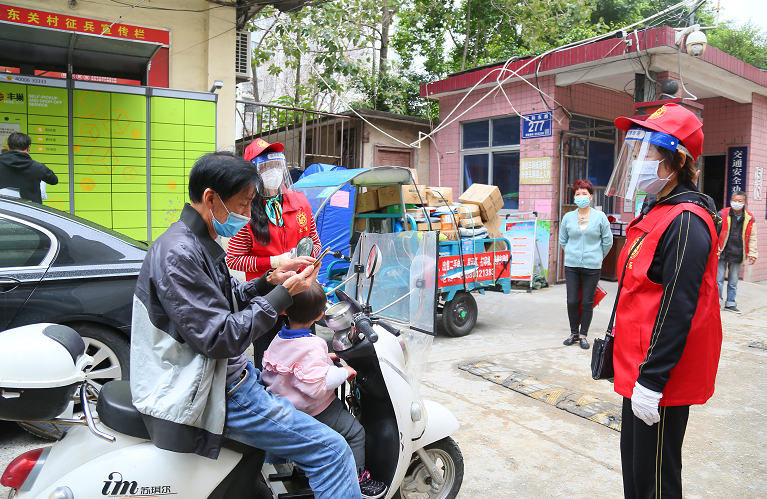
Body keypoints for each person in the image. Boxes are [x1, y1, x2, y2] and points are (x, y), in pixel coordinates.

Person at [130, 151, 361, 499]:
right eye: (242, 204)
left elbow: (226, 299)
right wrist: (283, 294)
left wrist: (269, 280)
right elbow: (221, 335)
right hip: (221, 388)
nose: (244, 214)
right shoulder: (180, 253)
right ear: (211, 198)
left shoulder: (198, 243)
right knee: (333, 451)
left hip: (231, 377)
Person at [606, 103, 723, 499]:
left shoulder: (687, 219)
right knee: (636, 474)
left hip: (660, 377)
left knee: (655, 480)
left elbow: (680, 307)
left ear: (676, 160)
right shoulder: (658, 209)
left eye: (648, 154)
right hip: (637, 367)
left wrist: (652, 381)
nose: (639, 162)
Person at [262, 281, 388, 499]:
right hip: (312, 410)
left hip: (286, 407)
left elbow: (295, 366)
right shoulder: (313, 345)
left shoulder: (280, 338)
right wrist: (344, 371)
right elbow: (316, 386)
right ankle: (357, 479)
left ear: (285, 309)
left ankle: (307, 467)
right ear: (321, 315)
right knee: (355, 432)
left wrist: (326, 359)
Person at [227, 138, 321, 370]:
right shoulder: (245, 211)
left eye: (277, 166)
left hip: (302, 298)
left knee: (307, 362)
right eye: (266, 168)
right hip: (267, 301)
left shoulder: (299, 202)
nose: (274, 173)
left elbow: (315, 241)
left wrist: (309, 258)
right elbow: (234, 259)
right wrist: (275, 261)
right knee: (271, 367)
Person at [558, 179, 613, 349]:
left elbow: (607, 241)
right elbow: (562, 240)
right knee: (572, 300)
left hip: (592, 266)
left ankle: (583, 335)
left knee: (588, 302)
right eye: (577, 194)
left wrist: (597, 256)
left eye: (584, 193)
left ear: (590, 197)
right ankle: (573, 333)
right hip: (572, 266)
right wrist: (573, 254)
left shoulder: (600, 217)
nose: (581, 196)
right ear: (574, 197)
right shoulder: (568, 217)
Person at [717, 190, 758, 313]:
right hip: (722, 251)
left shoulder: (749, 218)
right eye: (734, 200)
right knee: (718, 280)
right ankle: (717, 302)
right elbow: (714, 232)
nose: (737, 203)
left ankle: (730, 303)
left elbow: (752, 237)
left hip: (738, 252)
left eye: (740, 201)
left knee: (733, 281)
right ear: (730, 201)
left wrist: (752, 254)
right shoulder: (722, 213)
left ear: (745, 202)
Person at [0, 132, 58, 203]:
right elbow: (54, 180)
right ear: (28, 147)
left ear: (8, 147)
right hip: (31, 211)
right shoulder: (38, 167)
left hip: (4, 211)